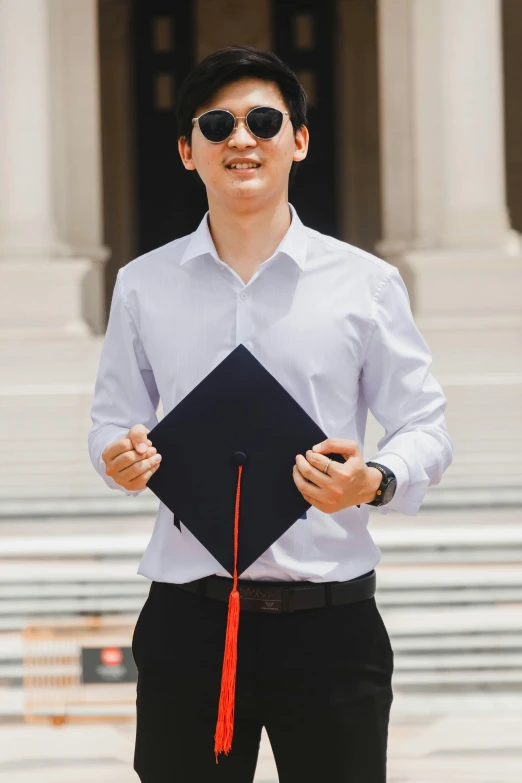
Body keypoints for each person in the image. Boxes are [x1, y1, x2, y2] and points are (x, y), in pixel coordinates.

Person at [88, 45, 453, 783]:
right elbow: (111, 419)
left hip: (330, 624)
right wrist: (117, 456)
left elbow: (426, 426)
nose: (241, 138)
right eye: (218, 123)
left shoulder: (367, 285)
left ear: (300, 140)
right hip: (189, 621)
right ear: (188, 151)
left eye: (263, 119)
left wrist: (374, 478)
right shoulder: (142, 286)